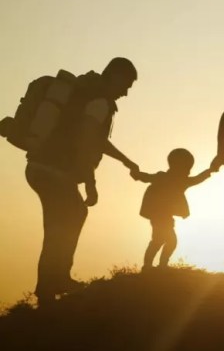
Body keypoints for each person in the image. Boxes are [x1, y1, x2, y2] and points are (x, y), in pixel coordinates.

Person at [24, 57, 140, 305]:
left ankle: (53, 283)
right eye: (127, 85)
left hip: (41, 167)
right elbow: (86, 139)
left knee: (69, 217)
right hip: (53, 171)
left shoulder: (88, 96)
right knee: (62, 224)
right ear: (116, 76)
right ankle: (51, 286)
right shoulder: (99, 101)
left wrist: (126, 161)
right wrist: (90, 182)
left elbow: (96, 139)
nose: (126, 92)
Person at [133, 149, 220, 271]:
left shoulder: (176, 179)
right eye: (187, 167)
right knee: (162, 241)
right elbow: (147, 177)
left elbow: (196, 179)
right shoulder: (165, 178)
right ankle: (152, 266)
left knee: (164, 241)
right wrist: (137, 174)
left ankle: (158, 265)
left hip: (164, 216)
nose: (188, 171)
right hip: (158, 216)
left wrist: (209, 171)